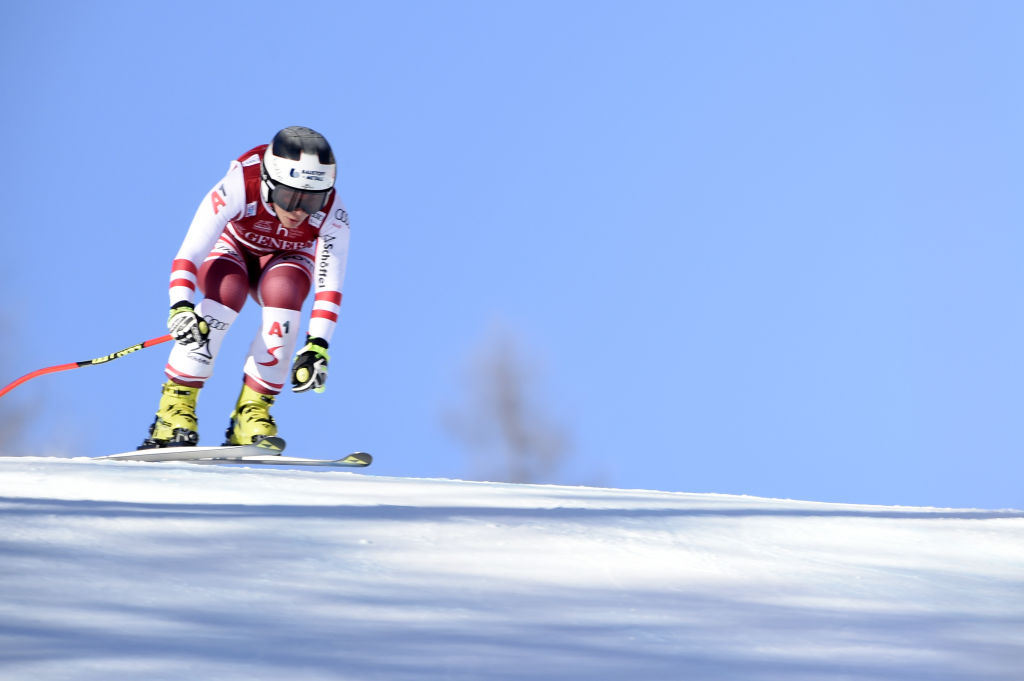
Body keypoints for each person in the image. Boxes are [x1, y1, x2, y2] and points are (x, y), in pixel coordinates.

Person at [139, 126, 350, 449]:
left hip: (286, 260)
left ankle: (251, 413)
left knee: (286, 289)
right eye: (289, 196)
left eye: (311, 200)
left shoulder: (333, 212)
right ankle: (175, 410)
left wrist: (318, 345)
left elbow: (329, 286)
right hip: (233, 248)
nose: (298, 211)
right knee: (227, 289)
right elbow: (189, 253)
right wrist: (181, 306)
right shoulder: (240, 185)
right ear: (268, 184)